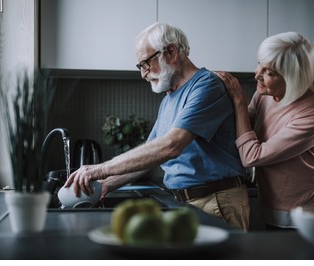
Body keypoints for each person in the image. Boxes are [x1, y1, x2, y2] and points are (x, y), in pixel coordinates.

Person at [64, 22, 250, 231]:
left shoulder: (207, 86)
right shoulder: (168, 99)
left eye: (145, 63)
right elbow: (149, 157)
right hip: (186, 202)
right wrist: (107, 184)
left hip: (215, 201)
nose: (143, 73)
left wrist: (100, 169)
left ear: (171, 52)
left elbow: (172, 146)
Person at [216, 31, 314, 230]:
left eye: (269, 73)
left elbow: (252, 156)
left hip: (308, 213)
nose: (257, 75)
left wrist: (239, 100)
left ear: (293, 77)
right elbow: (241, 125)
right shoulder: (266, 92)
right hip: (273, 204)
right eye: (259, 64)